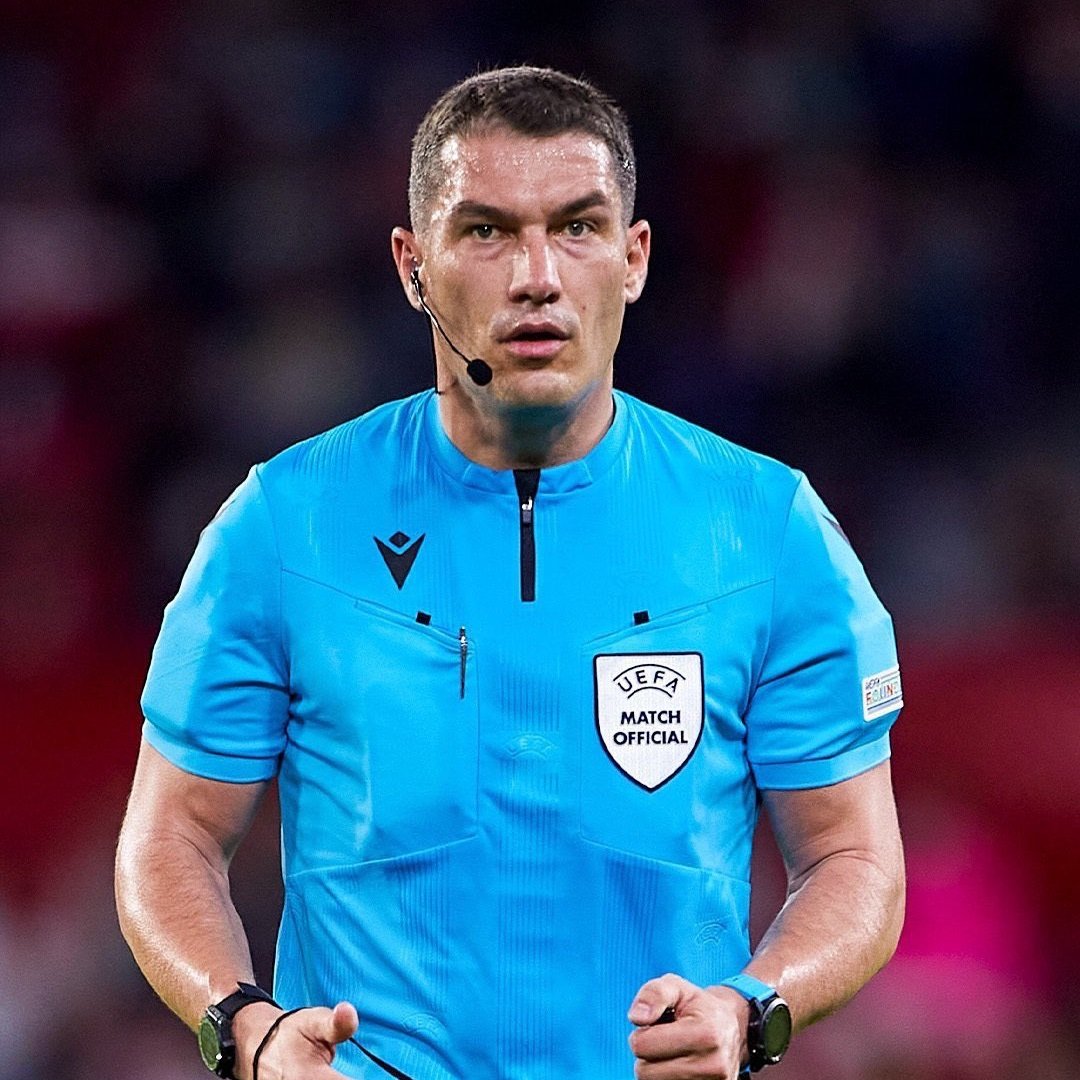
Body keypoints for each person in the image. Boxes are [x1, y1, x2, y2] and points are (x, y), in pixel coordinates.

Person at [115, 66, 905, 1080]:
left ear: (634, 257)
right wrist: (243, 1026)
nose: (538, 276)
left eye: (577, 227)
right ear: (412, 266)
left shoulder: (768, 530)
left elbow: (854, 858)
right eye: (486, 231)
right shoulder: (282, 525)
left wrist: (753, 1011)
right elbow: (171, 836)